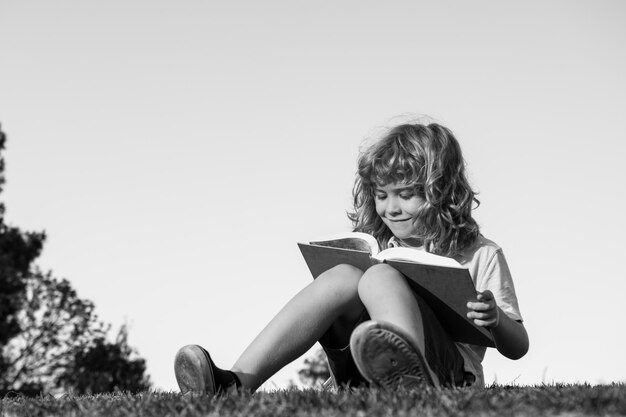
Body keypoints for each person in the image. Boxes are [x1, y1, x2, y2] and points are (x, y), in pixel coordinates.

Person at [174, 120, 529, 394]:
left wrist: (496, 320)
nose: (392, 208)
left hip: (447, 376)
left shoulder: (480, 253)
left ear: (443, 191)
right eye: (382, 195)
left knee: (378, 277)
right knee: (343, 276)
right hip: (361, 374)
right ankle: (236, 383)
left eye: (407, 194)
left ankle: (412, 383)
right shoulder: (381, 247)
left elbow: (519, 347)